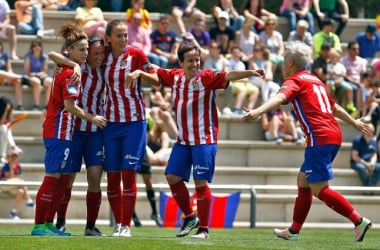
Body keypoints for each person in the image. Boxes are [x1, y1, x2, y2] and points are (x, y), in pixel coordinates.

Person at [125, 41, 265, 239]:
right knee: (172, 177)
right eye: (190, 60)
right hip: (183, 141)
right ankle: (190, 217)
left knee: (200, 183)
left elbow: (228, 76)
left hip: (204, 139)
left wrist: (250, 72)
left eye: (197, 60)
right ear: (181, 62)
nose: (195, 64)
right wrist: (140, 72)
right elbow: (157, 76)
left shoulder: (206, 78)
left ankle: (204, 230)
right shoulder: (175, 76)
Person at [242, 41, 372, 242]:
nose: (283, 63)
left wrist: (257, 111)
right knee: (303, 181)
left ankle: (358, 221)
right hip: (332, 135)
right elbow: (334, 107)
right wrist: (353, 122)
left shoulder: (294, 80)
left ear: (291, 62)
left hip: (319, 137)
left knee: (319, 189)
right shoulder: (315, 80)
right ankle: (293, 231)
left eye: (284, 59)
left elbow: (279, 98)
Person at [30, 22, 107, 236]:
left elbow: (55, 55)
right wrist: (92, 118)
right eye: (81, 49)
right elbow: (69, 106)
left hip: (63, 132)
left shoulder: (69, 68)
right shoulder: (70, 73)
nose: (85, 53)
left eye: (86, 49)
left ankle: (47, 224)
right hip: (58, 131)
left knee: (61, 179)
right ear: (70, 50)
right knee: (52, 178)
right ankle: (39, 225)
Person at [102, 19, 157, 238]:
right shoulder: (102, 54)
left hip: (134, 122)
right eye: (119, 35)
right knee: (112, 177)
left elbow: (157, 79)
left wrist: (141, 74)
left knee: (129, 174)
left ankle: (126, 225)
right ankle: (117, 224)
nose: (124, 39)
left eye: (126, 35)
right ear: (108, 38)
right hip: (111, 124)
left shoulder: (137, 54)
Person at [0, 41, 39, 111]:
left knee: (18, 81)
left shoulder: (5, 55)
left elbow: (9, 69)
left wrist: (8, 77)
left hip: (5, 79)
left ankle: (19, 105)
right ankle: (21, 76)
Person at [0, 147, 34, 219]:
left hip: (12, 186)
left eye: (16, 157)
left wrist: (14, 169)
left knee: (20, 191)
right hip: (4, 185)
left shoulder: (18, 166)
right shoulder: (5, 166)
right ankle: (29, 200)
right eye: (12, 157)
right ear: (8, 158)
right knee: (22, 182)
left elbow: (16, 178)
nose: (14, 159)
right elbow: (10, 177)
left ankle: (13, 212)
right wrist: (11, 167)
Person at [24, 40, 53, 110]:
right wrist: (35, 74)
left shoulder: (44, 57)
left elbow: (45, 71)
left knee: (50, 81)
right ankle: (36, 105)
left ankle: (47, 106)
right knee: (37, 82)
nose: (37, 47)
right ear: (32, 48)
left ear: (41, 47)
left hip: (40, 76)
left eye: (38, 45)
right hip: (30, 76)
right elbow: (27, 72)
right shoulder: (28, 56)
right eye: (34, 46)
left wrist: (39, 74)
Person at [350, 123, 380, 187]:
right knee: (362, 168)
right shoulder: (357, 140)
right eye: (369, 130)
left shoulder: (373, 141)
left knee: (378, 167)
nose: (370, 133)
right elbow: (354, 157)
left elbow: (374, 155)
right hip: (357, 162)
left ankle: (371, 185)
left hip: (369, 162)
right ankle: (367, 186)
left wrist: (372, 163)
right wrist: (366, 164)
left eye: (372, 132)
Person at [0, 96, 23, 164]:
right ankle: (13, 146)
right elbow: (1, 122)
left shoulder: (10, 111)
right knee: (5, 128)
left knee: (5, 132)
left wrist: (9, 111)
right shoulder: (2, 111)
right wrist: (5, 111)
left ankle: (2, 156)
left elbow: (9, 123)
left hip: (3, 132)